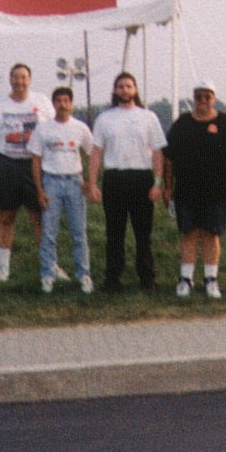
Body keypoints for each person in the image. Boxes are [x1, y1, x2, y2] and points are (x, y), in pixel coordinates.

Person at [163, 81, 226, 299]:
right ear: (193, 97)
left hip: (216, 192)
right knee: (189, 234)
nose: (202, 100)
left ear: (214, 98)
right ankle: (186, 279)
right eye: (198, 96)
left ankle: (211, 280)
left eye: (207, 96)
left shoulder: (225, 123)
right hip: (186, 191)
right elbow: (169, 159)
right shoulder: (182, 123)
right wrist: (168, 187)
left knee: (212, 235)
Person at [0, 63, 61, 282]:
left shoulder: (42, 102)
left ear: (30, 79)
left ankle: (50, 266)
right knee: (6, 216)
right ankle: (3, 268)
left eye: (23, 77)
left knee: (39, 218)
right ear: (10, 80)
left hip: (35, 166)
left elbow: (56, 130)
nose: (19, 82)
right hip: (7, 165)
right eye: (15, 77)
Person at [87, 72, 167, 292]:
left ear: (135, 90)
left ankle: (147, 279)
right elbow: (96, 153)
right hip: (114, 179)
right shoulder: (105, 119)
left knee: (143, 234)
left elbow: (159, 153)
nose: (125, 90)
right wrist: (92, 183)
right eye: (121, 86)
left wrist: (158, 182)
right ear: (115, 91)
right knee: (114, 234)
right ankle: (112, 280)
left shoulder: (148, 117)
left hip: (142, 178)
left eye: (129, 86)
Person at [28, 86, 95, 294]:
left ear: (71, 104)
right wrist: (39, 190)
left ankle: (83, 275)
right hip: (51, 182)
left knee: (79, 232)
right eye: (58, 101)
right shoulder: (43, 128)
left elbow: (94, 154)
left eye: (66, 101)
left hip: (75, 181)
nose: (62, 105)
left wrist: (90, 183)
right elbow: (36, 160)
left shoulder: (81, 128)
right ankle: (47, 275)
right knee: (48, 232)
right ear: (54, 103)